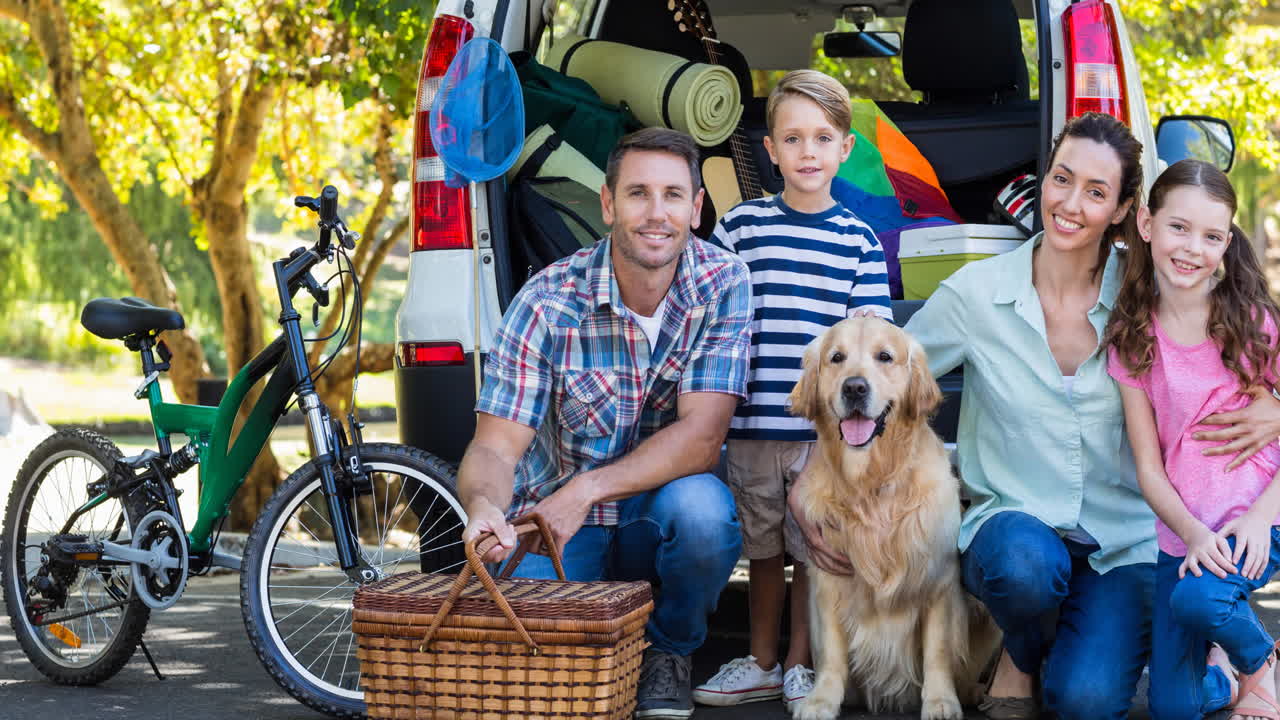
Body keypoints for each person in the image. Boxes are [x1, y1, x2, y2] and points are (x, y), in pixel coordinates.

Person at [789, 112, 1280, 720]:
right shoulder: (976, 294)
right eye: (1061, 179)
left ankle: (1161, 651)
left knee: (1086, 703)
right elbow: (879, 377)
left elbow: (1227, 353)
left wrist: (1275, 410)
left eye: (1096, 192)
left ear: (1128, 211)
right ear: (1043, 180)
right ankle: (1019, 652)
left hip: (1121, 541)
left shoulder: (1152, 296)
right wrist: (810, 476)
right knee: (1021, 567)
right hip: (1016, 531)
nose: (1070, 204)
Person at [456, 127, 752, 720]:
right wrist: (484, 507)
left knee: (704, 515)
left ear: (696, 209)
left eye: (673, 195)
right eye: (638, 193)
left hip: (652, 514)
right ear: (608, 203)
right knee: (533, 673)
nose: (656, 213)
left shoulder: (724, 283)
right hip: (555, 527)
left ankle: (669, 651)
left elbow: (701, 439)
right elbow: (494, 447)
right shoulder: (547, 300)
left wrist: (586, 488)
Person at [694, 69, 892, 713]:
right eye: (793, 138)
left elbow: (865, 348)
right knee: (762, 549)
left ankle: (803, 662)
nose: (808, 152)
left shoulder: (858, 241)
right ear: (770, 149)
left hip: (821, 438)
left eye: (823, 138)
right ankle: (760, 658)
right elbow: (709, 312)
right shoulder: (741, 229)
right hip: (750, 427)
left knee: (816, 550)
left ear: (845, 150)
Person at [1106, 159, 1280, 720]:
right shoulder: (1133, 339)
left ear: (1226, 244)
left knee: (1199, 599)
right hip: (1186, 536)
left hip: (1259, 520)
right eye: (1179, 227)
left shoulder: (1252, 323)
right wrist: (1192, 533)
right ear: (1146, 223)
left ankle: (1260, 664)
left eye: (1210, 236)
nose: (1192, 248)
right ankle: (1222, 679)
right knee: (1172, 708)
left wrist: (1259, 518)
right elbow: (1149, 468)